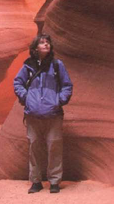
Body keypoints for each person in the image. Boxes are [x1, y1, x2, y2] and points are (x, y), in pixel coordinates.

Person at [13, 33, 73, 194]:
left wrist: (58, 100)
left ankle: (54, 182)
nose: (46, 45)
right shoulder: (28, 66)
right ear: (35, 48)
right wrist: (27, 98)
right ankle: (36, 181)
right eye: (42, 43)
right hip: (33, 114)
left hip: (53, 114)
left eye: (48, 43)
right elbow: (18, 82)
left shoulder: (57, 65)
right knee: (34, 148)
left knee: (54, 147)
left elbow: (67, 85)